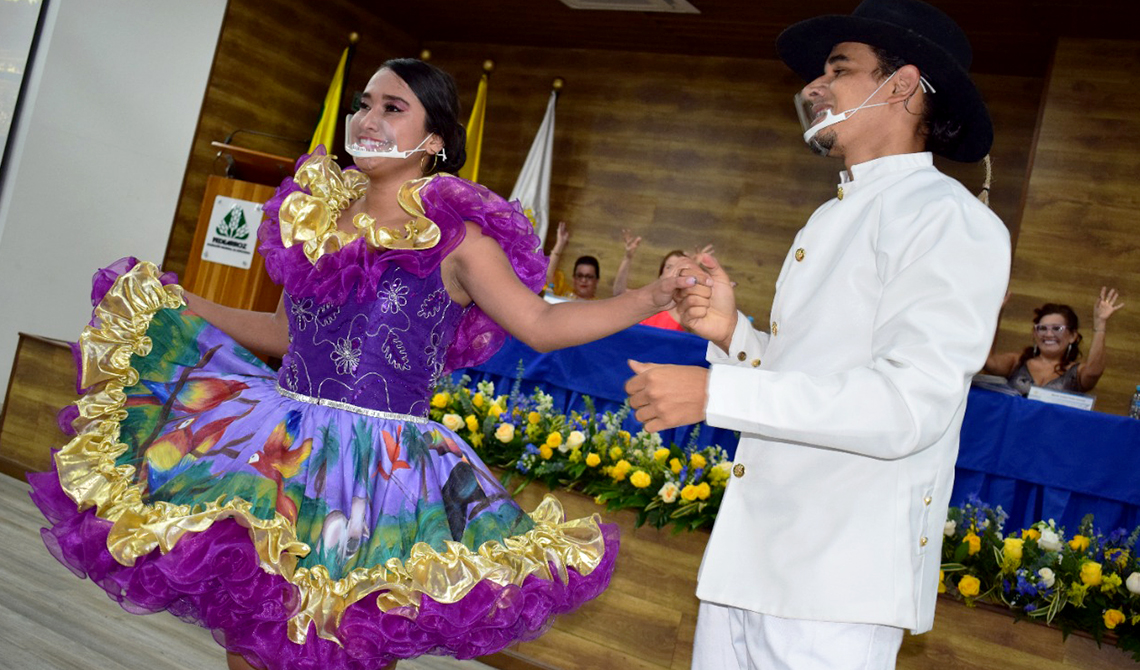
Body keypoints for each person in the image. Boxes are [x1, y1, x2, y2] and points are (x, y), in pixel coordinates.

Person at [29, 58, 695, 670]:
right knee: (253, 641)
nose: (368, 120)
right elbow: (283, 332)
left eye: (393, 107)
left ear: (435, 139)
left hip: (383, 478)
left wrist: (648, 296)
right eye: (363, 104)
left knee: (348, 644)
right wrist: (184, 301)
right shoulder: (315, 221)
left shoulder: (456, 240)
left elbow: (543, 323)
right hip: (278, 455)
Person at [625, 1, 1010, 668]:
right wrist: (735, 338)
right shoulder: (831, 215)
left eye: (839, 68)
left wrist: (719, 395)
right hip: (754, 559)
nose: (814, 86)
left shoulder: (949, 220)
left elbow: (905, 406)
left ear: (903, 85)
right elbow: (818, 377)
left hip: (838, 579)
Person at [985, 288, 1124, 395]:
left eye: (1057, 328)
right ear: (1035, 334)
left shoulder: (1076, 372)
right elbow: (988, 362)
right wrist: (993, 313)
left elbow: (1094, 371)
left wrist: (1100, 324)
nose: (1049, 334)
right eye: (1042, 328)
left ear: (1072, 336)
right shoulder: (1017, 361)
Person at [545, 221, 602, 300]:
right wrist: (560, 244)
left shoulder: (600, 306)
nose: (583, 280)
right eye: (579, 275)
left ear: (597, 281)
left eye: (589, 277)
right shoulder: (563, 292)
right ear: (574, 278)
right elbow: (547, 276)